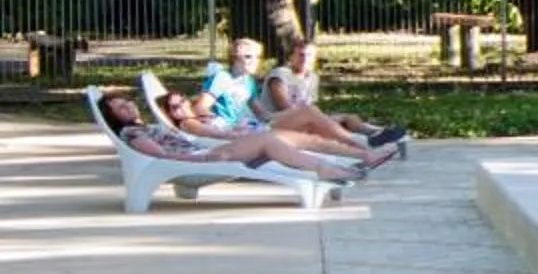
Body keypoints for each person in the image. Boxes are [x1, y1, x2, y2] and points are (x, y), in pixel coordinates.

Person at [97, 91, 363, 181]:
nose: (129, 106)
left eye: (127, 102)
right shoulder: (133, 132)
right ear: (114, 117)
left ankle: (336, 164)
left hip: (206, 153)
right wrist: (209, 157)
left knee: (281, 140)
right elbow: (161, 157)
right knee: (271, 140)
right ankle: (328, 167)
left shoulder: (143, 126)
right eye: (120, 107)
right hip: (204, 158)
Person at [158, 87, 401, 170]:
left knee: (312, 118)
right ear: (170, 113)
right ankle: (364, 146)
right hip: (253, 137)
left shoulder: (201, 113)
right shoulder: (190, 123)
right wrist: (238, 132)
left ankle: (364, 151)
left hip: (258, 128)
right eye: (173, 108)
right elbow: (217, 135)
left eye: (181, 102)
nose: (179, 108)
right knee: (309, 118)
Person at [259, 39, 398, 142]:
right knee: (337, 119)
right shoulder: (280, 75)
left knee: (349, 118)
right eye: (300, 55)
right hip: (276, 122)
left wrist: (320, 117)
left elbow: (309, 105)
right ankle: (363, 139)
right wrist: (319, 118)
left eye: (309, 55)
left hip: (303, 118)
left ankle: (378, 133)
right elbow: (285, 108)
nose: (305, 59)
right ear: (291, 57)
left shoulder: (312, 77)